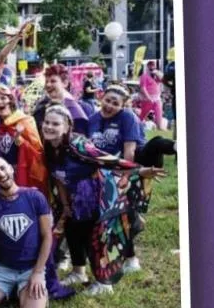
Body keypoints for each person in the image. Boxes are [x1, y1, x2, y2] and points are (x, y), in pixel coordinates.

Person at [41, 105, 164, 294]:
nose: (49, 126)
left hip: (96, 192)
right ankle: (78, 272)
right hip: (73, 195)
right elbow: (58, 178)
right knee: (73, 229)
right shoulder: (48, 147)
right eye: (47, 122)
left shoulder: (78, 145)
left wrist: (139, 170)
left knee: (97, 235)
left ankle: (104, 283)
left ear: (67, 127)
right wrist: (65, 205)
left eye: (55, 123)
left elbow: (108, 160)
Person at [86, 84, 177, 272]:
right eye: (108, 100)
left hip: (137, 163)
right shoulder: (93, 119)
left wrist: (125, 176)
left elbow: (130, 151)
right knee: (120, 215)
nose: (110, 105)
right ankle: (132, 250)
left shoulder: (127, 117)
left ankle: (179, 146)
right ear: (101, 98)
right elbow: (91, 149)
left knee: (156, 143)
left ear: (123, 105)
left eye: (115, 103)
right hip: (108, 171)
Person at [0, 156, 52, 308]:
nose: (1, 174)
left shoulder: (35, 197)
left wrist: (37, 272)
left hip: (30, 268)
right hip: (3, 268)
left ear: (11, 168)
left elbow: (47, 236)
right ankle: (11, 289)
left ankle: (26, 291)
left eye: (3, 168)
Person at [31, 63, 90, 136]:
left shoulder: (76, 114)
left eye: (53, 81)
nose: (48, 85)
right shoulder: (41, 107)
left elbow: (79, 143)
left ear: (65, 83)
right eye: (46, 81)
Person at [138, 60, 165, 130]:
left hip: (157, 98)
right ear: (147, 66)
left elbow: (163, 79)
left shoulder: (156, 76)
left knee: (159, 112)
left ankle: (159, 127)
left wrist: (157, 72)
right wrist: (148, 97)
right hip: (147, 98)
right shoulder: (144, 76)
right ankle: (137, 125)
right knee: (143, 114)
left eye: (153, 65)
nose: (151, 66)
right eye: (150, 65)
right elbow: (142, 88)